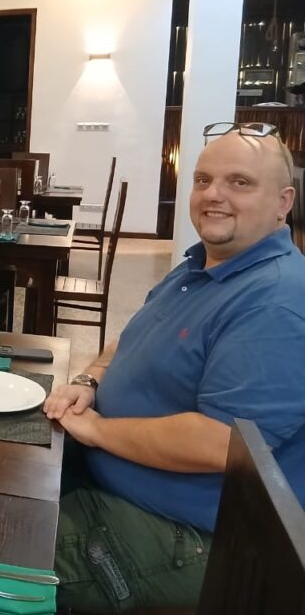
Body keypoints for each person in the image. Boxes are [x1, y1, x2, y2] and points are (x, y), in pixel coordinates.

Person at [44, 123, 305, 612]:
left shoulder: (276, 302)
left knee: (1, 548)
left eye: (240, 182)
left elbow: (222, 441)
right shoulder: (200, 267)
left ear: (283, 202)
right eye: (204, 180)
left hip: (189, 536)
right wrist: (90, 380)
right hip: (116, 478)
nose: (214, 195)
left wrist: (97, 431)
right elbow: (132, 339)